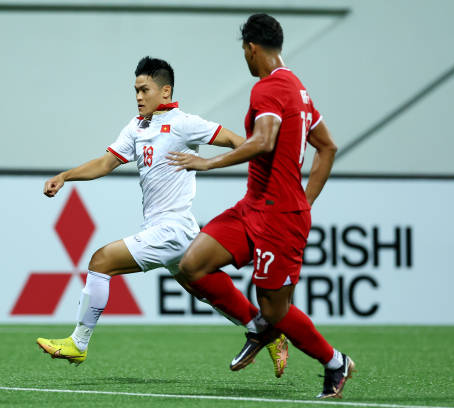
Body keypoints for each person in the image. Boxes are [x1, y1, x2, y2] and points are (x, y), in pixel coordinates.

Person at [36, 56, 288, 377]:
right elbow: (105, 164)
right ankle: (267, 331)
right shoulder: (136, 127)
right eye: (136, 91)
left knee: (101, 261)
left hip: (173, 228)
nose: (139, 97)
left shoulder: (184, 123)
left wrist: (224, 165)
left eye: (145, 90)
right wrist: (66, 176)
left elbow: (240, 142)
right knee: (204, 289)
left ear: (165, 91)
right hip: (170, 230)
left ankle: (78, 343)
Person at [168, 14, 354, 399]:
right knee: (191, 266)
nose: (246, 60)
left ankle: (335, 362)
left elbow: (264, 140)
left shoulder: (268, 88)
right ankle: (258, 328)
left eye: (244, 53)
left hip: (279, 220)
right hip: (253, 207)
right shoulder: (298, 89)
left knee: (276, 310)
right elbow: (327, 147)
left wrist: (208, 162)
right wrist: (308, 199)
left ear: (251, 48)